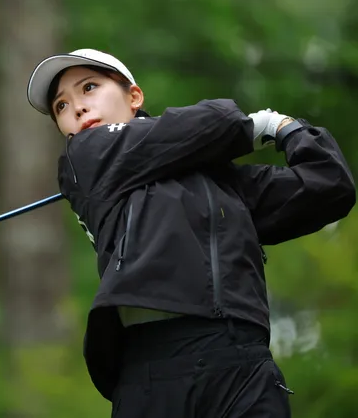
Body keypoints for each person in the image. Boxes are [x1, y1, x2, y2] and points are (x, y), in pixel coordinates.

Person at [26, 48, 356, 417]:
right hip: (153, 370)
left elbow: (329, 184)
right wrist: (257, 125)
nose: (77, 108)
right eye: (61, 106)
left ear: (134, 97)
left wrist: (287, 128)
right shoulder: (85, 155)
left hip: (241, 365)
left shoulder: (220, 181)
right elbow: (217, 120)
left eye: (89, 87)